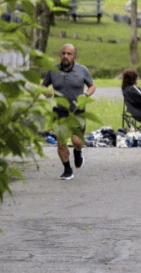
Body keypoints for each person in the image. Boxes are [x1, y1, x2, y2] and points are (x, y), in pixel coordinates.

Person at [41, 43, 95, 180]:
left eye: (69, 54)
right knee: (61, 142)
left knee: (76, 141)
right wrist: (45, 91)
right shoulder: (52, 70)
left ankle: (78, 151)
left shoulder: (82, 70)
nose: (65, 56)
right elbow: (44, 85)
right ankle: (67, 169)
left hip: (77, 112)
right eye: (63, 53)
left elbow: (92, 86)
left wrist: (86, 95)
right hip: (59, 112)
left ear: (74, 56)